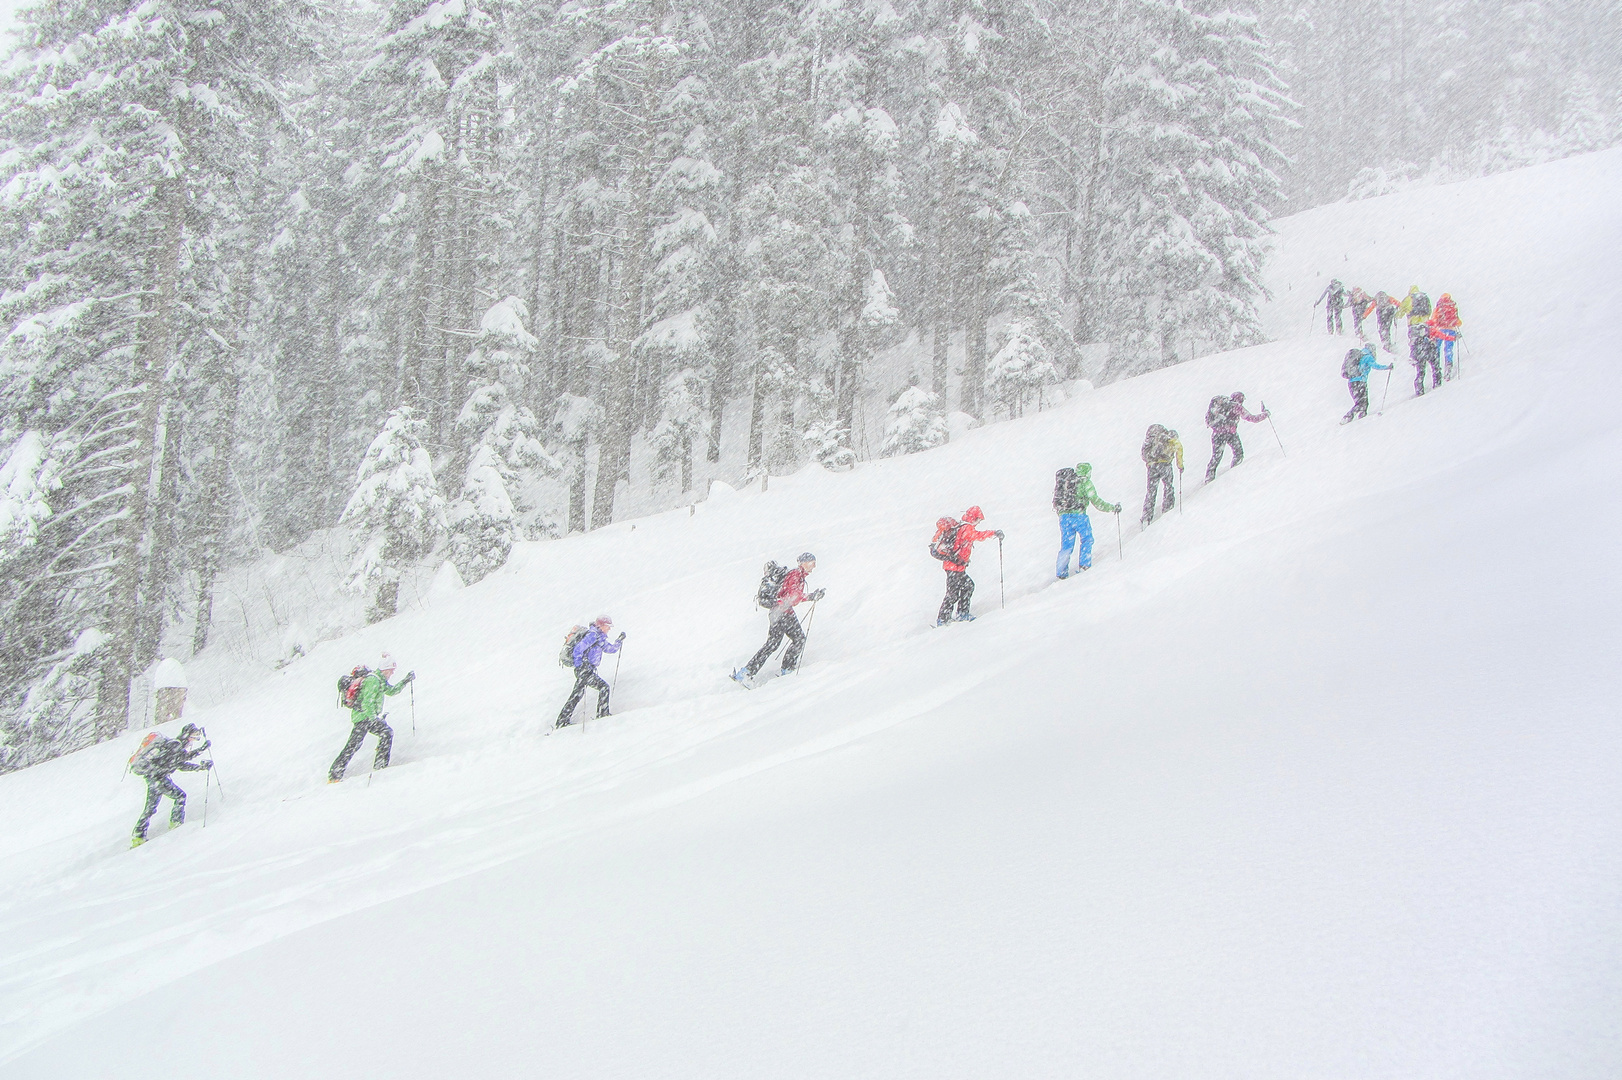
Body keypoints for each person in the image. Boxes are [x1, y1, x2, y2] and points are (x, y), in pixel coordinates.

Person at [734, 555, 824, 682]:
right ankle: (785, 671)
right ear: (803, 563)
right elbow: (793, 596)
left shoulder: (798, 575)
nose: (814, 567)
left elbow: (791, 596)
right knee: (790, 641)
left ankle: (746, 673)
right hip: (782, 613)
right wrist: (811, 596)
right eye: (812, 563)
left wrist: (811, 596)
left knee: (779, 643)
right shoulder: (795, 575)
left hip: (781, 612)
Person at [330, 652, 414, 781]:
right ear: (385, 669)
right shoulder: (372, 680)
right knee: (356, 744)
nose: (392, 673)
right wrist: (373, 718)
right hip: (363, 718)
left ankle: (378, 766)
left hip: (367, 718)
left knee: (382, 735)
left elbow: (392, 691)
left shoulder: (379, 680)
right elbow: (367, 702)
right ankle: (336, 774)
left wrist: (405, 681)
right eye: (391, 671)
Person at [130, 723, 211, 847]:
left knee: (150, 808)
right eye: (193, 738)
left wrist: (199, 766)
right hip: (159, 779)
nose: (193, 741)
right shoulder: (175, 745)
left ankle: (138, 836)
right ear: (186, 735)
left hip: (154, 778)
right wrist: (201, 751)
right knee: (180, 797)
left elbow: (180, 763)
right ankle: (176, 824)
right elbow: (180, 762)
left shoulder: (175, 746)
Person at [934, 508, 1002, 623]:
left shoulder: (961, 526)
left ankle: (955, 615)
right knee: (955, 592)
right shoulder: (966, 528)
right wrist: (993, 533)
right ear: (974, 518)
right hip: (954, 567)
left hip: (955, 566)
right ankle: (946, 618)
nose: (978, 523)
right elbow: (977, 536)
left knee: (965, 587)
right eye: (978, 520)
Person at [1053, 466, 1120, 577]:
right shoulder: (1085, 482)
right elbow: (1097, 502)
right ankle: (1084, 565)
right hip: (1079, 516)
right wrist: (1113, 508)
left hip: (1064, 517)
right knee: (1087, 539)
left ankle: (1061, 572)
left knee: (1066, 545)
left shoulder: (1068, 481)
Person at [559, 617, 625, 724]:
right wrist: (581, 666)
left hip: (586, 670)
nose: (609, 629)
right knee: (604, 687)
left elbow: (611, 649)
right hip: (584, 670)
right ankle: (602, 715)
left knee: (577, 694)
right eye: (608, 626)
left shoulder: (599, 638)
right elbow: (577, 650)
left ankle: (562, 721)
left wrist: (619, 641)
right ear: (601, 625)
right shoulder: (592, 636)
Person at [1203, 392, 1269, 482]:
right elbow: (1252, 418)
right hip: (1231, 434)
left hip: (1217, 434)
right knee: (1238, 453)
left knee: (1216, 457)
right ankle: (1235, 474)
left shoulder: (1223, 406)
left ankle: (1209, 478)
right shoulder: (1236, 407)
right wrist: (1265, 414)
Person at [1138, 425, 1183, 526]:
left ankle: (1147, 515)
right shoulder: (1171, 440)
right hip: (1165, 465)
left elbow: (1144, 454)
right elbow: (1179, 450)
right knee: (1168, 487)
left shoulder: (1153, 439)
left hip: (1152, 466)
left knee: (1151, 491)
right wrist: (1180, 465)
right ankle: (1168, 508)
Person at [1341, 343, 1392, 423]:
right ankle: (1349, 417)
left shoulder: (1359, 356)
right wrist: (1387, 367)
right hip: (1360, 382)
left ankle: (1361, 419)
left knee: (1362, 403)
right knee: (1362, 403)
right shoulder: (1368, 357)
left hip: (1351, 383)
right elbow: (1376, 366)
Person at [1427, 292, 1462, 380]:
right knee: (1448, 349)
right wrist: (1453, 324)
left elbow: (1433, 320)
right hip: (1451, 330)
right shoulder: (1453, 307)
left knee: (1437, 348)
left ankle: (1436, 365)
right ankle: (1448, 365)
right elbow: (1458, 322)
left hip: (1440, 330)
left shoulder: (1439, 308)